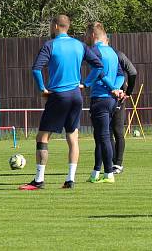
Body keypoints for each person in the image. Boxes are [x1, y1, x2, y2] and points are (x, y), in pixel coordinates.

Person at [19, 15, 104, 191]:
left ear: (56, 26)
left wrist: (42, 88)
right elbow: (98, 66)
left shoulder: (50, 45)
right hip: (76, 96)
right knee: (73, 138)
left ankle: (39, 180)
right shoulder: (79, 45)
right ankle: (70, 180)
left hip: (59, 96)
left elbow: (36, 69)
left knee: (42, 137)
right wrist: (86, 84)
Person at [84, 22, 125, 184]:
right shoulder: (113, 52)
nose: (85, 38)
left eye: (86, 35)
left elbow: (99, 71)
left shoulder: (94, 50)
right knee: (100, 136)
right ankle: (95, 172)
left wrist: (110, 87)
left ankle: (108, 174)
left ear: (93, 35)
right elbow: (121, 74)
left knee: (103, 137)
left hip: (100, 97)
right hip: (111, 100)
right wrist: (116, 88)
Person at [110, 46, 138, 174]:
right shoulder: (118, 54)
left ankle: (115, 163)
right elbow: (132, 72)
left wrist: (128, 92)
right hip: (118, 95)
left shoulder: (97, 54)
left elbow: (132, 72)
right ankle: (116, 164)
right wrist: (128, 92)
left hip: (105, 97)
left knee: (110, 132)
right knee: (115, 131)